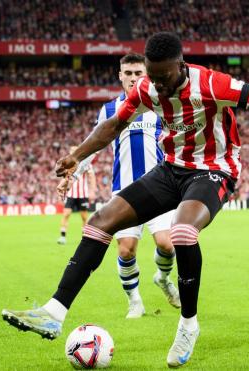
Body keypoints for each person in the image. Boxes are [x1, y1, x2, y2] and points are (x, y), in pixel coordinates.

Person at [2, 32, 249, 368]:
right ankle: (54, 313)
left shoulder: (212, 84)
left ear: (181, 66)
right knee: (100, 222)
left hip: (213, 170)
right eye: (151, 77)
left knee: (182, 232)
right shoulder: (147, 88)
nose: (158, 85)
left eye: (164, 77)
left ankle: (188, 324)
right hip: (171, 169)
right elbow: (113, 125)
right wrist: (77, 155)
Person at [79, 53, 180, 318]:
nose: (133, 78)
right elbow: (95, 143)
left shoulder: (160, 106)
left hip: (159, 187)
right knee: (126, 249)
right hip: (124, 191)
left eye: (138, 73)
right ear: (120, 76)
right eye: (128, 73)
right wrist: (75, 170)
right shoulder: (109, 110)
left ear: (145, 75)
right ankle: (134, 300)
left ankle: (163, 277)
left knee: (167, 245)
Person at [57, 146, 96, 245]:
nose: (72, 153)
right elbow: (63, 178)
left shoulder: (86, 163)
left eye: (74, 151)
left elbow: (91, 177)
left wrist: (92, 191)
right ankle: (62, 236)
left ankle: (85, 238)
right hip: (71, 194)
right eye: (71, 152)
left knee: (84, 217)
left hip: (83, 194)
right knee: (66, 214)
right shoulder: (67, 164)